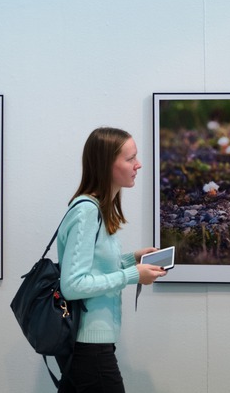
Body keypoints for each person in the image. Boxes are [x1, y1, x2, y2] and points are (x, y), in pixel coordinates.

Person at [56, 127, 166, 393]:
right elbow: (73, 284)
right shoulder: (86, 212)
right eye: (130, 159)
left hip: (91, 348)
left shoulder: (96, 210)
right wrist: (133, 275)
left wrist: (132, 259)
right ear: (107, 165)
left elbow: (94, 268)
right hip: (89, 350)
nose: (138, 164)